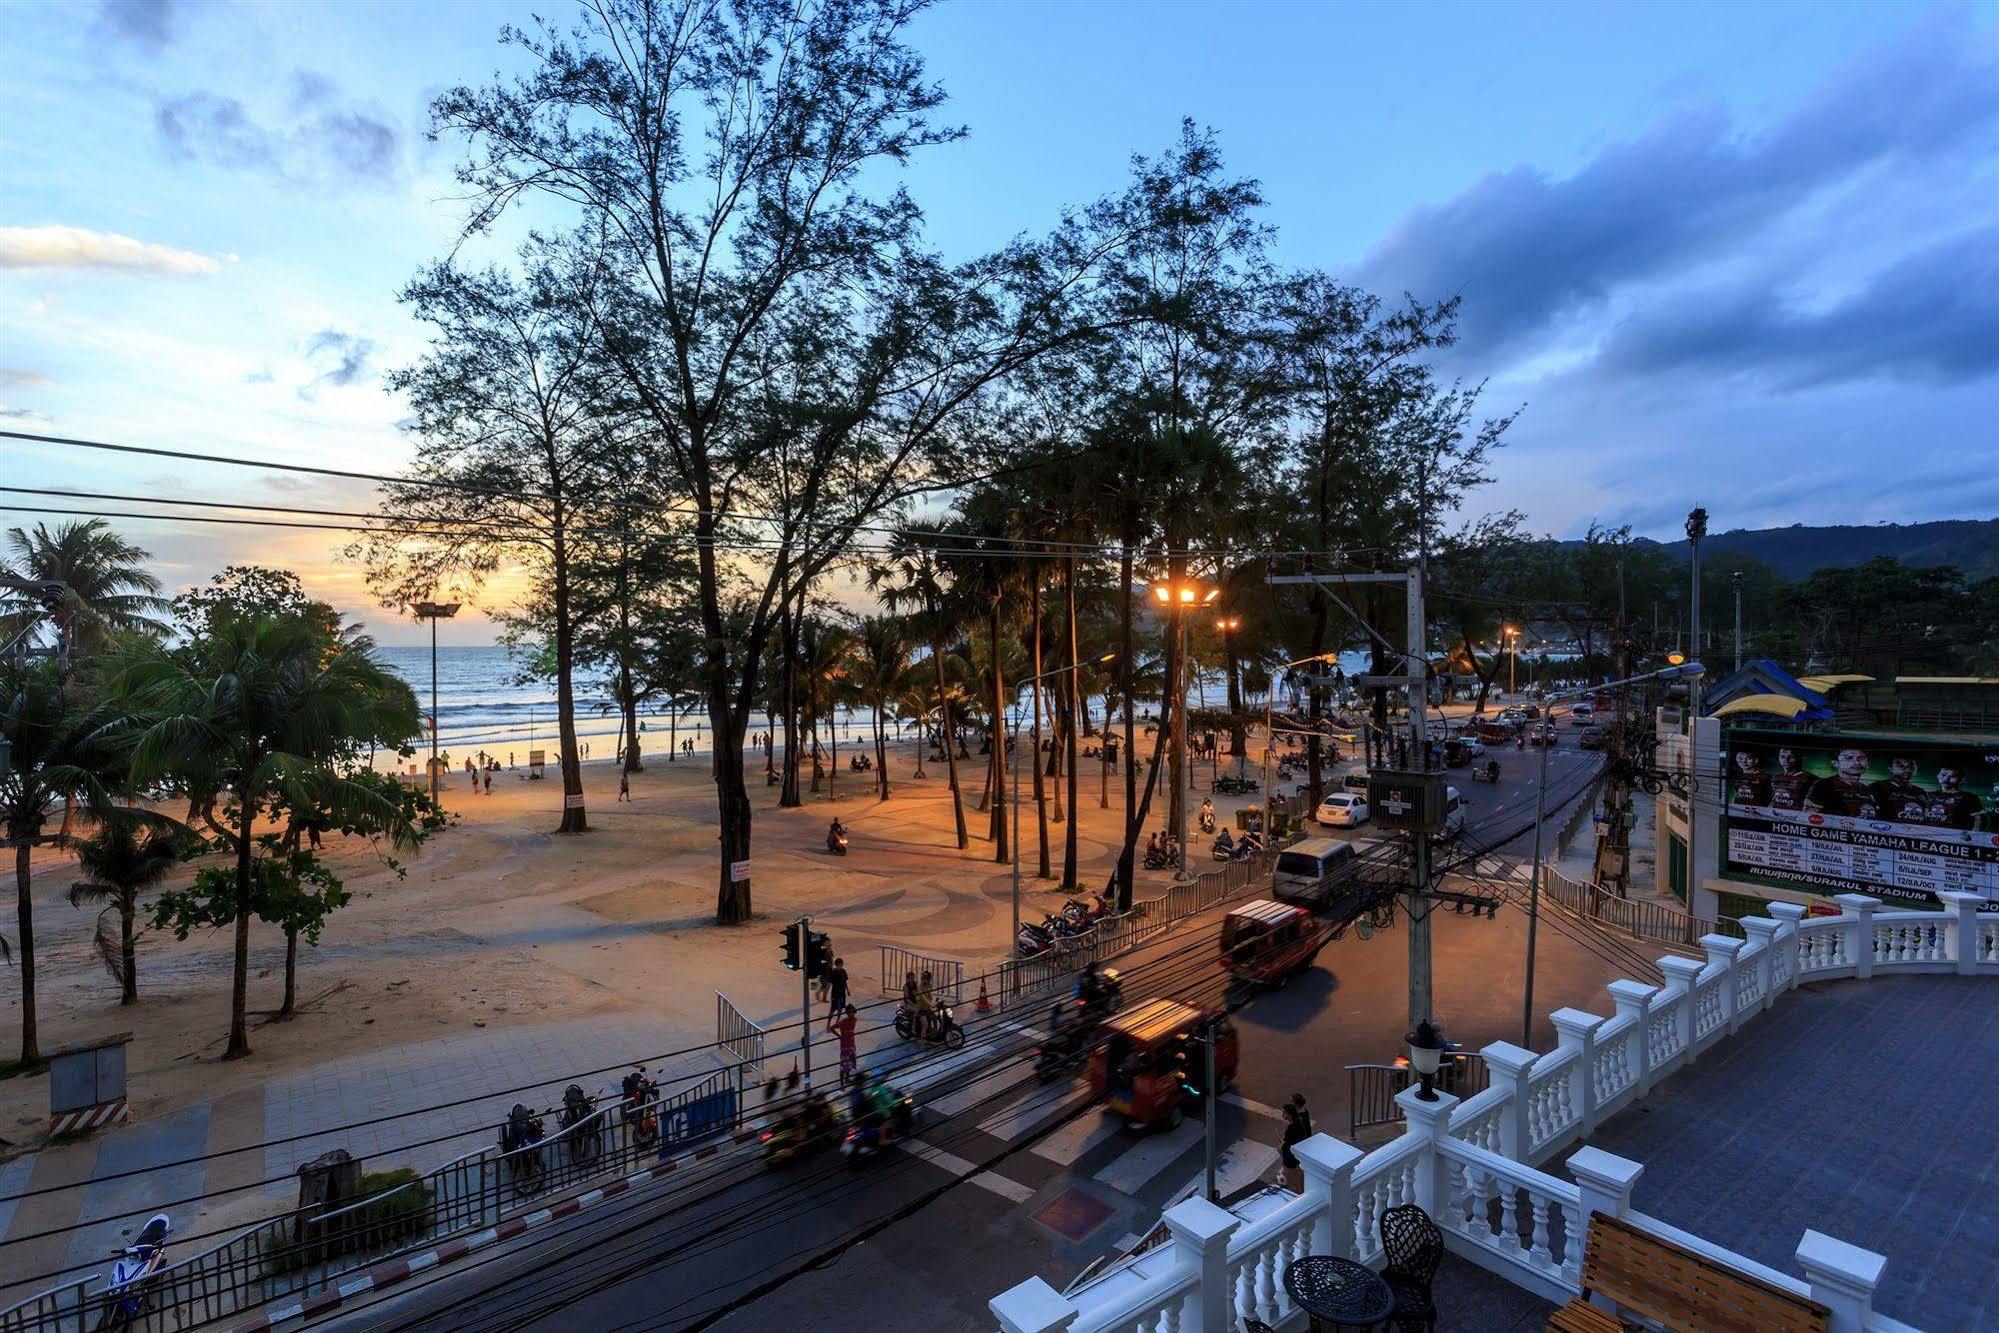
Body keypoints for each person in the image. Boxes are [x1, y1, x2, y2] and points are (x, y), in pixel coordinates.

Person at [1807, 746, 1878, 818]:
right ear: (1835, 763)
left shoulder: (1869, 791)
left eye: (1861, 758)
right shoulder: (1823, 785)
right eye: (1849, 758)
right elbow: (1809, 814)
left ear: (1868, 763)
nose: (1856, 762)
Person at [1768, 747, 1813, 812]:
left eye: (1791, 757)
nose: (1786, 760)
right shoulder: (1775, 778)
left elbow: (1810, 806)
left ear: (1798, 758)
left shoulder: (1809, 778)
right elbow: (1772, 801)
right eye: (1782, 756)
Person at [1279, 1103, 1307, 1193]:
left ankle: (1296, 1192)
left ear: (1290, 1115)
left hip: (1290, 1157)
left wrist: (1282, 1143)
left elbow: (1286, 1141)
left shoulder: (1291, 1128)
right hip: (1296, 1154)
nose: (1282, 1115)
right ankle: (1300, 1190)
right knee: (1298, 1176)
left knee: (1292, 1179)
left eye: (1284, 1113)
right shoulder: (1299, 1122)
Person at [835, 1006, 859, 1085]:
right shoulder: (842, 1022)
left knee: (849, 1064)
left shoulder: (854, 1020)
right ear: (848, 1013)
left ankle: (847, 1079)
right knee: (843, 1066)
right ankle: (842, 1083)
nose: (853, 1015)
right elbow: (832, 1028)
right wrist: (839, 1036)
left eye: (853, 1012)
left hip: (851, 1045)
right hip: (845, 1046)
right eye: (851, 1013)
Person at [826, 956, 850, 1028]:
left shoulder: (843, 971)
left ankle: (837, 1022)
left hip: (842, 993)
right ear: (836, 965)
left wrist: (848, 990)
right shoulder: (834, 972)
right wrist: (825, 993)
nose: (841, 966)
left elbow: (845, 981)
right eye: (840, 964)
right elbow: (829, 983)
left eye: (842, 964)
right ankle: (828, 1025)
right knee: (833, 1009)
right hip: (835, 994)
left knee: (840, 1008)